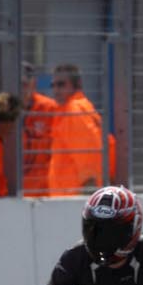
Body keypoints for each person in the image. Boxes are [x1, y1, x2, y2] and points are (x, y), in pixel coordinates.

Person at [47, 64, 105, 196]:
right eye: (53, 85)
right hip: (70, 196)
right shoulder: (76, 108)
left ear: (77, 84)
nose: (56, 90)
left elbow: (88, 160)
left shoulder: (75, 111)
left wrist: (87, 198)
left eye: (61, 85)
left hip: (74, 197)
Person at [21, 62, 60, 196]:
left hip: (44, 190)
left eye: (24, 84)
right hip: (11, 191)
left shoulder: (49, 109)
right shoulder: (4, 111)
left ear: (34, 83)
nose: (20, 89)